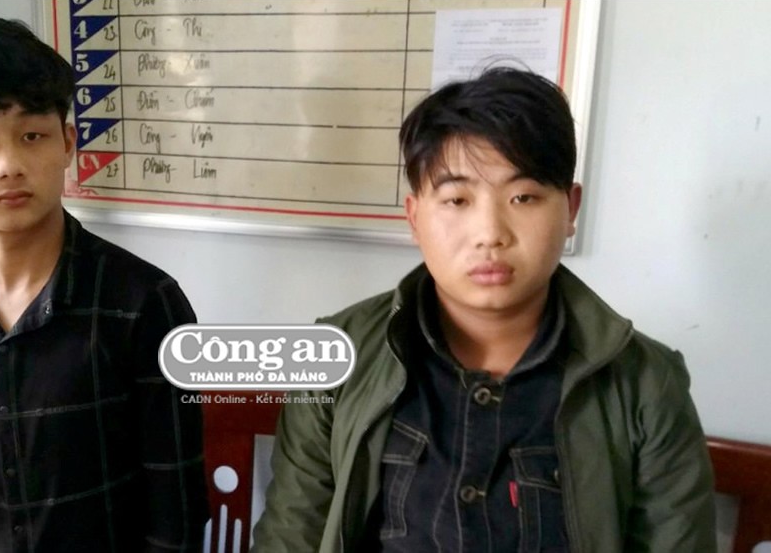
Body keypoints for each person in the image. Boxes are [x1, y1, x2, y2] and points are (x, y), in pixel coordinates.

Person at [252, 67, 715, 552]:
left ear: (570, 209)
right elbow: (291, 538)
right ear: (415, 217)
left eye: (523, 197)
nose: (490, 233)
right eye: (457, 199)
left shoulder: (646, 386)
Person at [0, 15, 208, 552]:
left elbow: (174, 512)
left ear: (66, 143)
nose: (8, 165)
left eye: (32, 135)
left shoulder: (143, 303)